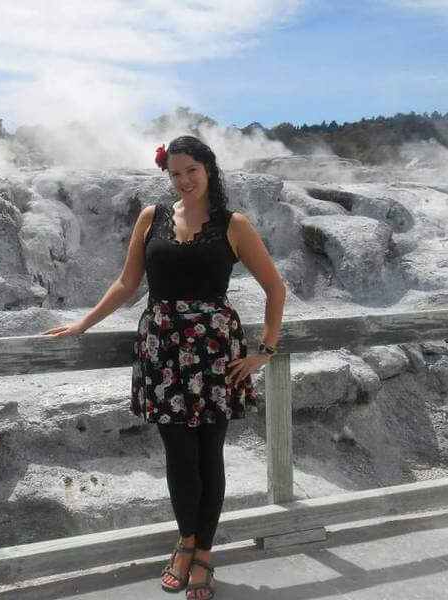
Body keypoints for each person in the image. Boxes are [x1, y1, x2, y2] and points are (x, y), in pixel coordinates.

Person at [43, 135, 286, 599]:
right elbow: (127, 282)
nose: (184, 180)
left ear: (208, 169)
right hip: (162, 350)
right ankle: (185, 543)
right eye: (175, 173)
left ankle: (205, 556)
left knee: (209, 456)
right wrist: (82, 323)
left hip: (216, 353)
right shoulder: (151, 217)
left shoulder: (233, 225)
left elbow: (276, 289)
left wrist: (264, 352)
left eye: (191, 170)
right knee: (179, 456)